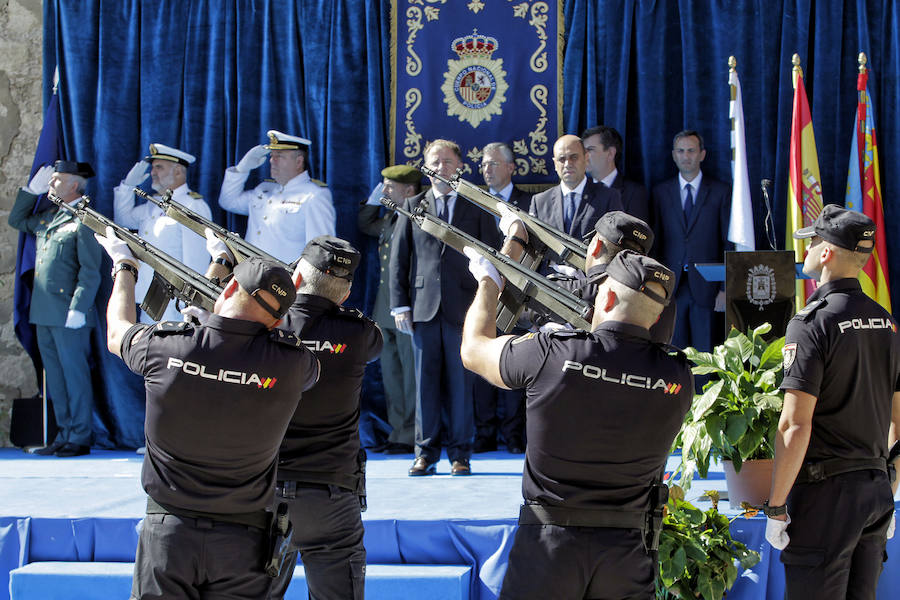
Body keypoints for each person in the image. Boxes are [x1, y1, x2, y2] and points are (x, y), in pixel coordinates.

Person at [98, 227, 320, 600]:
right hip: (245, 542)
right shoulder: (293, 364)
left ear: (230, 290)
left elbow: (117, 331)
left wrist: (125, 266)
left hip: (169, 533)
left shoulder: (168, 346)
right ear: (279, 320)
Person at [460, 248, 693, 598]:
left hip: (549, 546)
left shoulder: (552, 352)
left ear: (609, 295)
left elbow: (474, 349)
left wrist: (489, 281)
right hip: (628, 555)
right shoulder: (677, 376)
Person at [764, 204, 900, 598]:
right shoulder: (886, 323)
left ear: (826, 252)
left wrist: (775, 507)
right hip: (874, 491)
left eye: (813, 242)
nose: (807, 250)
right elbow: (897, 421)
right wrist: (889, 489)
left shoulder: (811, 323)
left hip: (826, 496)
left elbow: (794, 424)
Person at [389, 139, 502, 476]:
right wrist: (399, 306)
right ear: (426, 166)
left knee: (460, 385)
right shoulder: (413, 205)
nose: (441, 168)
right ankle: (425, 453)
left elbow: (491, 259)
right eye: (434, 162)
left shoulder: (476, 207)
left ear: (459, 167)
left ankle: (460, 454)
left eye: (447, 162)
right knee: (424, 385)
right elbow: (399, 260)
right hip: (423, 309)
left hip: (465, 310)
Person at [8, 161, 102, 457]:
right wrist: (29, 192)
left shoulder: (85, 220)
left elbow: (90, 271)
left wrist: (79, 307)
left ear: (74, 185)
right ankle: (64, 433)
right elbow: (17, 220)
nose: (50, 184)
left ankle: (80, 435)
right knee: (56, 377)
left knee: (74, 376)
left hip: (68, 312)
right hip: (44, 312)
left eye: (56, 180)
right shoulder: (50, 218)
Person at [503, 209, 675, 344]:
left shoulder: (573, 289)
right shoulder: (665, 302)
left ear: (596, 245)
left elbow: (508, 299)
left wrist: (514, 239)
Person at [358, 165, 420, 454]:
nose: (384, 191)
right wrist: (374, 199)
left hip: (409, 308)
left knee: (411, 377)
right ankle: (399, 432)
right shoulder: (390, 219)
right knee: (393, 376)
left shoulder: (418, 219)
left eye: (389, 187)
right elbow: (365, 223)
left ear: (409, 191)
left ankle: (414, 434)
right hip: (385, 309)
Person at [473, 141, 531, 453]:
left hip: (517, 298)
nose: (487, 169)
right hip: (482, 293)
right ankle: (483, 433)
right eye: (484, 164)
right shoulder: (474, 203)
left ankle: (512, 435)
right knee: (481, 360)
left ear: (511, 167)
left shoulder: (529, 203)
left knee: (511, 362)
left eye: (494, 164)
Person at [651, 130, 731, 352]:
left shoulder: (720, 191)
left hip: (707, 286)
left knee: (704, 350)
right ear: (674, 155)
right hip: (671, 285)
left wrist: (725, 288)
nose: (686, 156)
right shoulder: (660, 192)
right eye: (681, 151)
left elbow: (727, 243)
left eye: (691, 151)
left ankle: (703, 388)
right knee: (673, 347)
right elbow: (655, 244)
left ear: (702, 154)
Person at [114, 143, 212, 323]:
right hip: (150, 296)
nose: (153, 172)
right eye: (153, 167)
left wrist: (190, 305)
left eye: (159, 167)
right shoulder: (154, 203)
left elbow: (196, 260)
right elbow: (123, 219)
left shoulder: (192, 205)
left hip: (175, 302)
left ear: (178, 172)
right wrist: (127, 187)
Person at [219, 130, 335, 263]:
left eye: (279, 156)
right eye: (272, 155)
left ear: (298, 162)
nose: (272, 161)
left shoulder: (314, 195)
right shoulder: (264, 189)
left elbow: (320, 252)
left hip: (284, 280)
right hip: (248, 275)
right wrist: (241, 170)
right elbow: (228, 201)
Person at [528, 134, 623, 242]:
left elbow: (617, 242)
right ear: (555, 164)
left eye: (574, 157)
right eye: (562, 159)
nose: (568, 164)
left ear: (586, 158)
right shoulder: (540, 202)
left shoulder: (608, 197)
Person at [582, 125, 649, 222]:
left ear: (610, 153)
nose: (584, 155)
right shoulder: (582, 189)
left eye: (590, 149)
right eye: (583, 151)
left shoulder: (634, 193)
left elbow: (637, 234)